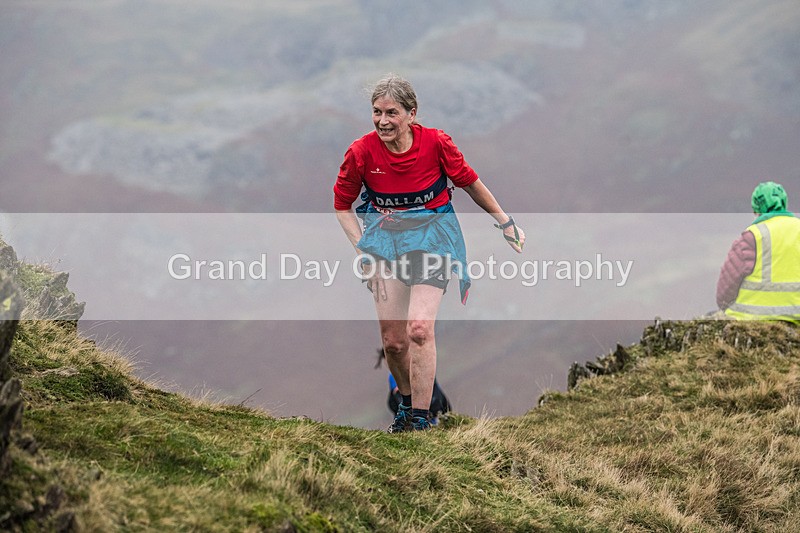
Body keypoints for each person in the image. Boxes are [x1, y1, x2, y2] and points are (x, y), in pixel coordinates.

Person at [334, 74, 525, 433]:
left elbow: (469, 182)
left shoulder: (436, 143)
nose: (383, 121)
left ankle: (420, 420)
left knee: (419, 329)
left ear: (412, 114)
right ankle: (406, 407)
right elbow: (342, 205)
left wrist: (505, 222)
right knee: (393, 342)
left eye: (392, 112)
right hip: (384, 245)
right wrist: (363, 250)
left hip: (434, 239)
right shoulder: (361, 152)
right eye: (376, 112)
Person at [716, 181, 800, 323]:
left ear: (756, 210)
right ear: (784, 204)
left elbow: (724, 290)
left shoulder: (752, 236)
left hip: (751, 319)